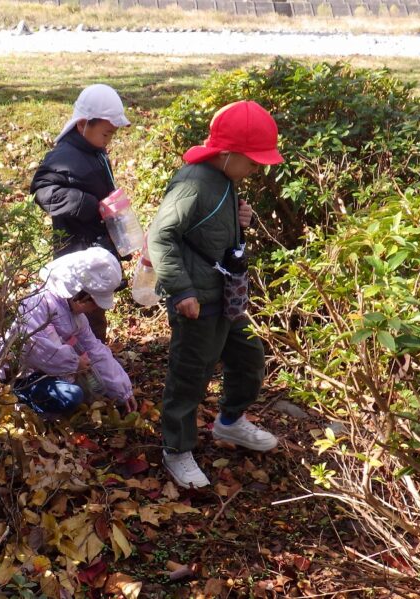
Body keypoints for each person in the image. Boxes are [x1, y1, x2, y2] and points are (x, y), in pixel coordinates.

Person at [148, 100, 283, 489]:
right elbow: (161, 236)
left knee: (248, 356)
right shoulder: (193, 183)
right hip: (197, 297)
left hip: (225, 295)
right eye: (253, 160)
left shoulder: (225, 178)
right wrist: (182, 290)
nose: (258, 168)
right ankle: (177, 449)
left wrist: (239, 224)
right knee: (191, 373)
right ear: (226, 154)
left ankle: (229, 422)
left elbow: (209, 234)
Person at [31, 84, 131, 342]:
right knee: (81, 318)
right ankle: (83, 369)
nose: (109, 140)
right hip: (76, 257)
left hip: (97, 248)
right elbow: (42, 190)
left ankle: (95, 361)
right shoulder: (63, 156)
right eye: (106, 133)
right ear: (82, 124)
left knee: (95, 315)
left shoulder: (95, 151)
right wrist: (88, 204)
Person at [0, 247, 137, 417]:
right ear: (80, 294)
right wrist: (74, 363)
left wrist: (123, 391)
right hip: (19, 376)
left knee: (93, 385)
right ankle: (18, 400)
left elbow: (95, 350)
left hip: (48, 373)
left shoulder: (75, 316)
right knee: (72, 395)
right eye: (93, 302)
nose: (94, 308)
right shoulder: (38, 303)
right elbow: (36, 348)